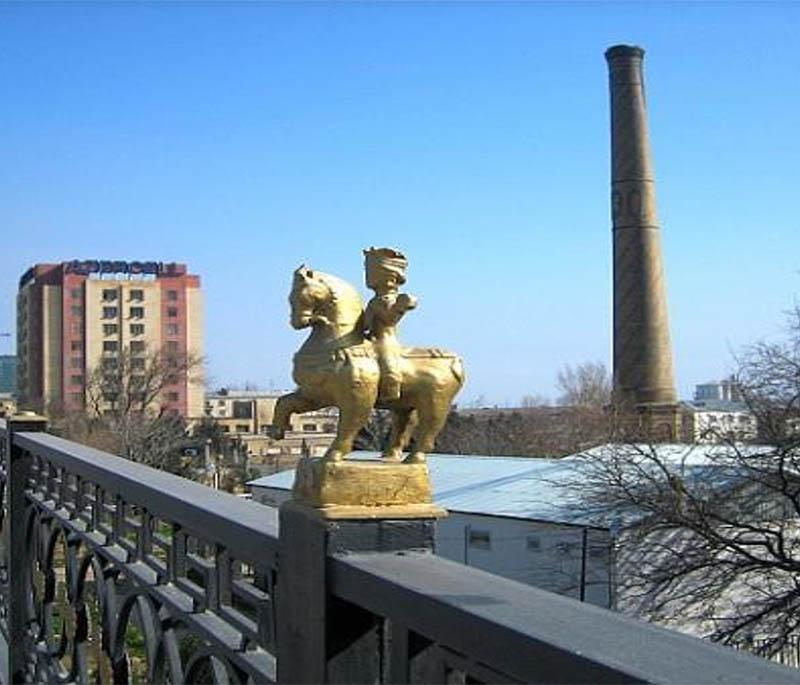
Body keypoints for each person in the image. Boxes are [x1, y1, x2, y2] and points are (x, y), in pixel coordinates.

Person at [363, 247, 417, 401]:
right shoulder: (374, 301)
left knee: (389, 367)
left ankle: (391, 392)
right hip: (369, 341)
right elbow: (365, 325)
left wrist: (401, 306)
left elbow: (389, 319)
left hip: (386, 341)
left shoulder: (391, 300)